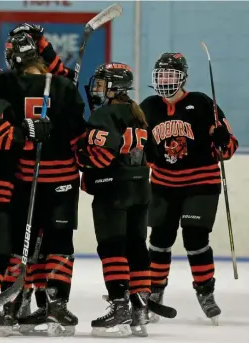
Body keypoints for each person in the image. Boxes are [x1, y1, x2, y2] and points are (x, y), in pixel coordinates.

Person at [0, 32, 86, 337]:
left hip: (24, 180)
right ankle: (54, 304)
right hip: (64, 180)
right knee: (58, 244)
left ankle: (12, 302)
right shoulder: (65, 85)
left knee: (16, 247)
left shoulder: (5, 84)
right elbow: (79, 136)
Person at [139, 53, 239, 325]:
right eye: (161, 75)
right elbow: (142, 151)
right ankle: (155, 294)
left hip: (201, 183)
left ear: (182, 77)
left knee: (195, 239)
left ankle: (206, 293)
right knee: (159, 241)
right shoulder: (147, 106)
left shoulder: (202, 103)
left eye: (170, 75)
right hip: (162, 185)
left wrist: (222, 141)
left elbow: (229, 148)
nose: (165, 80)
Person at [75, 62, 155, 337]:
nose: (96, 89)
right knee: (136, 246)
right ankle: (140, 309)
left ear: (113, 87)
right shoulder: (138, 113)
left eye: (100, 84)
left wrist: (79, 153)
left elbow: (101, 156)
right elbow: (152, 154)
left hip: (113, 189)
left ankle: (120, 308)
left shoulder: (104, 115)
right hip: (141, 188)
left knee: (112, 248)